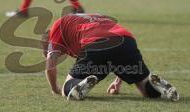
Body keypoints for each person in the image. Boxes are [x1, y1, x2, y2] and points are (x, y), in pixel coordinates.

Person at [42, 13, 179, 101]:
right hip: (126, 41)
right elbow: (116, 53)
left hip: (96, 43)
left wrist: (55, 89)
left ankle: (78, 85)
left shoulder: (57, 27)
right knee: (147, 92)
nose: (60, 53)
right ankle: (155, 86)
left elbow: (50, 65)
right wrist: (118, 81)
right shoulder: (85, 19)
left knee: (67, 88)